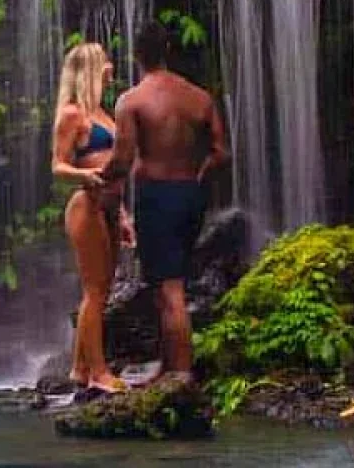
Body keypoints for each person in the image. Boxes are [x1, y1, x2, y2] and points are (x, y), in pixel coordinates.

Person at [100, 22, 229, 385]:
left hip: (156, 195)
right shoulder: (200, 98)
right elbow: (221, 152)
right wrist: (200, 175)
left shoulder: (132, 100)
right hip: (191, 193)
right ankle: (167, 362)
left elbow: (123, 159)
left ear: (136, 56)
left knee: (169, 287)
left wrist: (97, 177)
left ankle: (182, 374)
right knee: (167, 283)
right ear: (168, 50)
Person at [50, 41, 133, 395]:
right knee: (95, 291)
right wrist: (84, 177)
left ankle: (80, 368)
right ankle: (99, 372)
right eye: (105, 61)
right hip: (87, 203)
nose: (111, 65)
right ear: (91, 68)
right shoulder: (72, 114)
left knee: (103, 290)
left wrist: (125, 215)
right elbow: (58, 165)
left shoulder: (103, 114)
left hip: (112, 207)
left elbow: (115, 169)